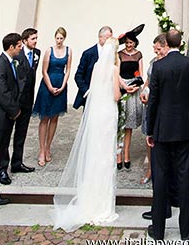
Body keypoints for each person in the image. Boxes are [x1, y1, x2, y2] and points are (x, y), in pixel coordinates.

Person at [53, 37, 121, 231]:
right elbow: (116, 95)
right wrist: (122, 93)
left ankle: (90, 200)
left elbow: (94, 91)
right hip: (108, 113)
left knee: (94, 154)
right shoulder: (114, 69)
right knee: (106, 155)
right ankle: (103, 205)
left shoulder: (98, 67)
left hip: (96, 114)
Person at [145, 29, 189, 241]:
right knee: (184, 177)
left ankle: (158, 230)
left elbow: (154, 100)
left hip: (162, 129)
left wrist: (150, 129)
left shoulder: (159, 66)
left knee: (160, 176)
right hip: (183, 127)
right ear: (181, 43)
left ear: (167, 43)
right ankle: (185, 229)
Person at [0, 27, 40, 182]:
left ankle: (17, 162)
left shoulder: (37, 53)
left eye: (36, 38)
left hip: (28, 101)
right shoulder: (16, 54)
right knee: (5, 135)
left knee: (21, 134)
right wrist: (13, 105)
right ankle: (3, 167)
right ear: (24, 40)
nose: (35, 41)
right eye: (33, 39)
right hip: (15, 102)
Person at [32, 27, 72, 167]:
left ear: (64, 38)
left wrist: (63, 85)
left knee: (54, 117)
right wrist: (49, 86)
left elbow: (68, 70)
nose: (59, 40)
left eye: (61, 38)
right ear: (54, 38)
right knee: (44, 118)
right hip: (48, 85)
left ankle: (48, 146)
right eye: (57, 38)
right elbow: (44, 70)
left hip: (61, 84)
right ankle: (41, 150)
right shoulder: (49, 50)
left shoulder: (68, 51)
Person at [0, 33, 22, 206]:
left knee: (0, 151)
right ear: (11, 47)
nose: (20, 48)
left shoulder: (10, 63)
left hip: (7, 117)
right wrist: (15, 110)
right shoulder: (1, 65)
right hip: (0, 117)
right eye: (19, 45)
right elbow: (1, 92)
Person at [140, 34, 168, 189]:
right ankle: (150, 169)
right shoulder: (153, 62)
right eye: (155, 49)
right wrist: (144, 91)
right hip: (150, 104)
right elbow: (148, 80)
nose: (156, 52)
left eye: (158, 49)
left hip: (162, 106)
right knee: (149, 138)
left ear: (165, 47)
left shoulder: (167, 62)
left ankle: (163, 170)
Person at [116, 30, 144, 170]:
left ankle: (127, 152)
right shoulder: (119, 55)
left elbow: (140, 73)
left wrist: (136, 85)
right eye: (126, 43)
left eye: (131, 43)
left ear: (135, 43)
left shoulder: (139, 54)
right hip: (122, 89)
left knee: (129, 124)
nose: (128, 45)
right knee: (120, 122)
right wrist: (124, 87)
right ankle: (118, 154)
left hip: (133, 89)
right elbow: (117, 74)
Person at [73, 26, 113, 108]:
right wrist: (86, 91)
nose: (110, 41)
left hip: (106, 95)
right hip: (91, 95)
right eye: (108, 38)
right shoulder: (88, 54)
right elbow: (78, 75)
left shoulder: (113, 54)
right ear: (100, 37)